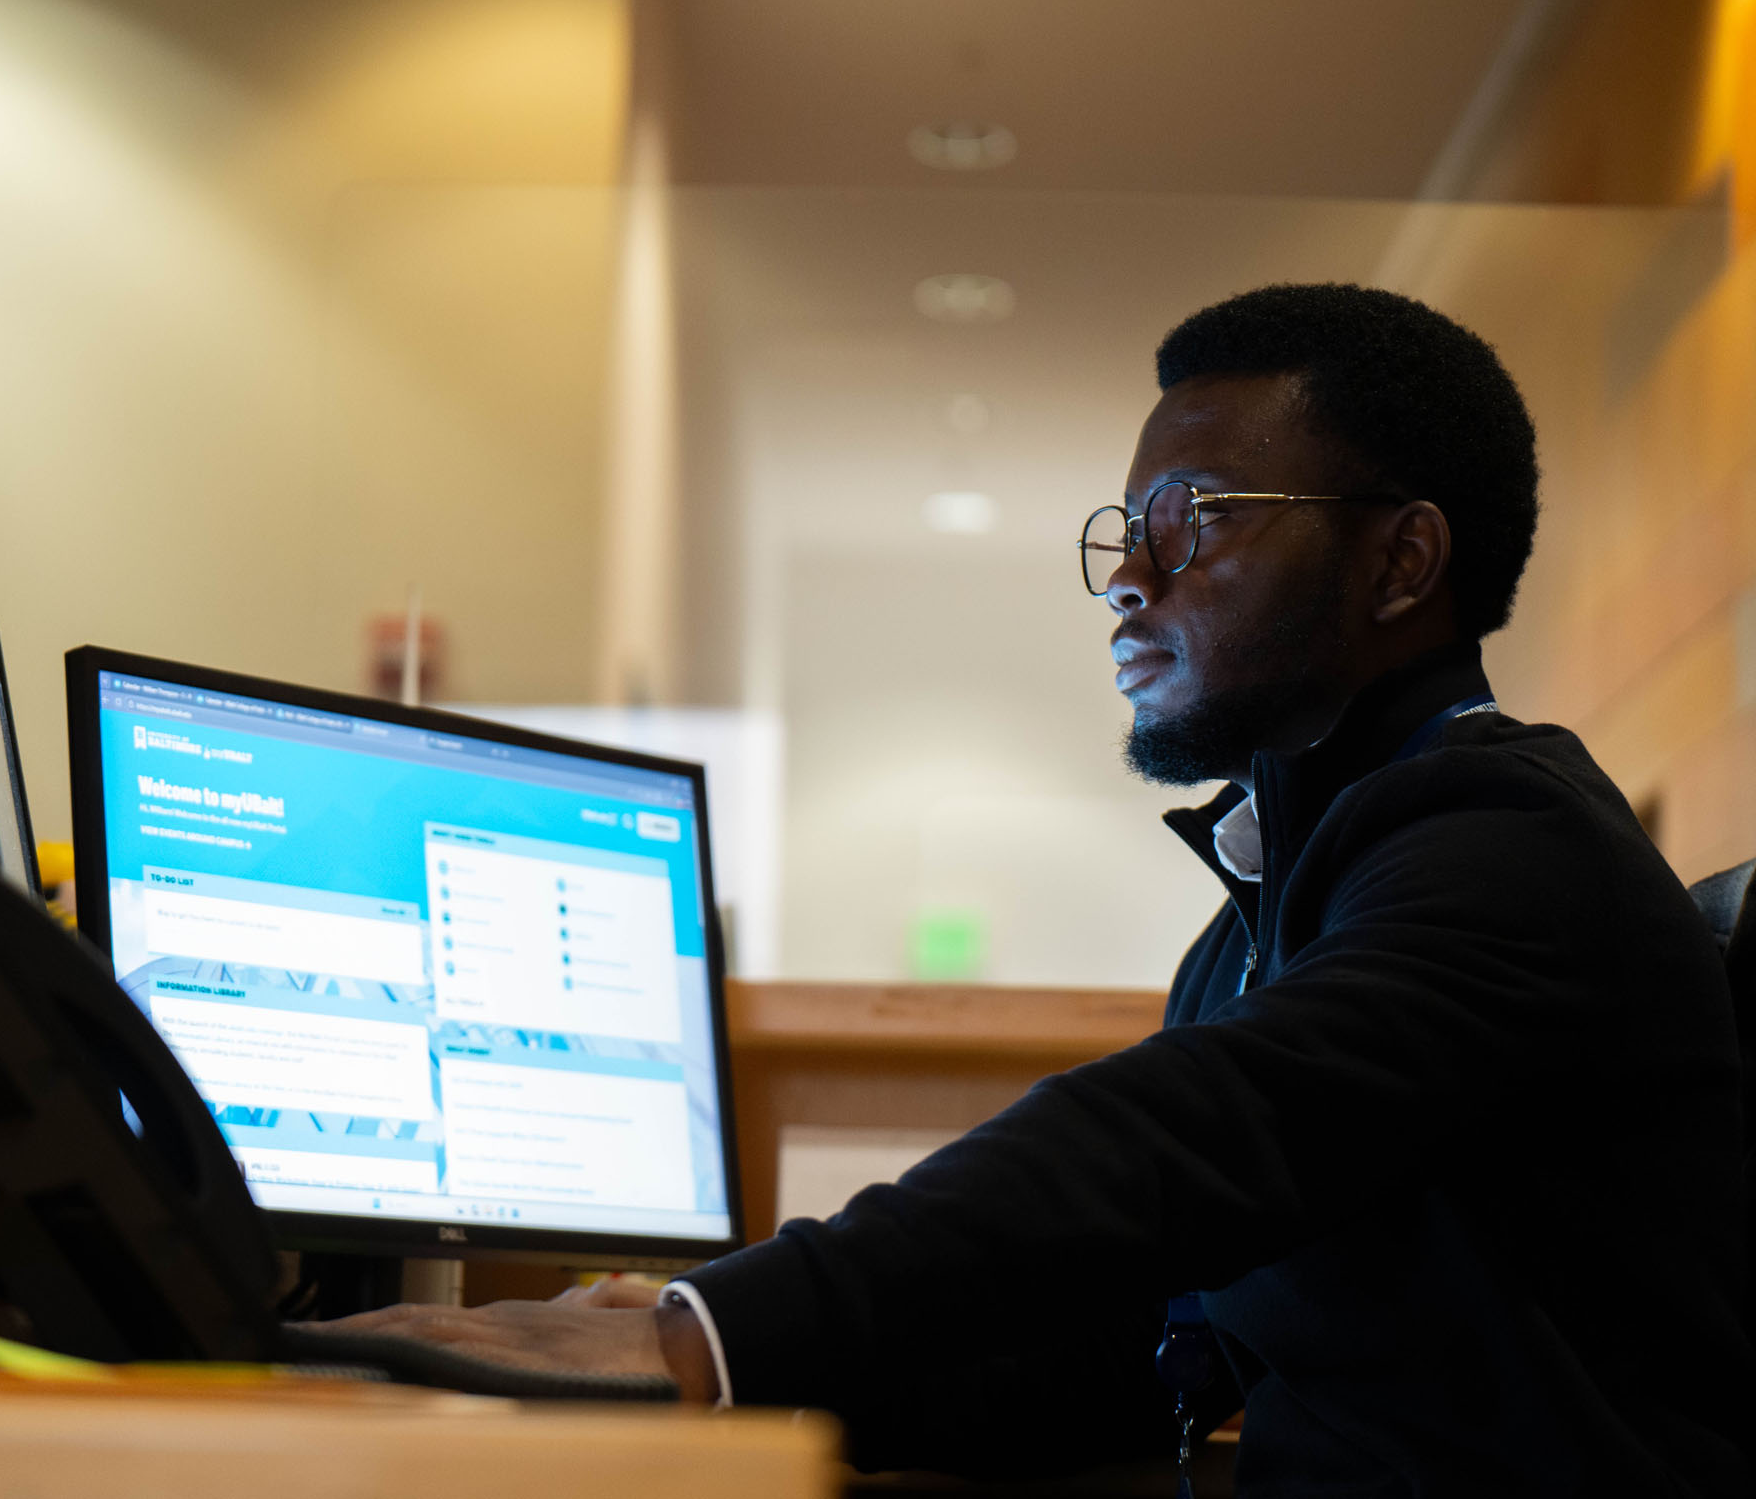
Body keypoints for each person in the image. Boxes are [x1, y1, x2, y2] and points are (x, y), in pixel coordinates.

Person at [312, 284, 1754, 1496]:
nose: (1129, 576)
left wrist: (712, 1329)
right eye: (1124, 528)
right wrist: (731, 1379)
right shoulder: (1272, 909)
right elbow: (1137, 1351)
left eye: (1194, 519)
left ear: (1404, 560)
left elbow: (1194, 1136)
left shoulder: (1512, 850)